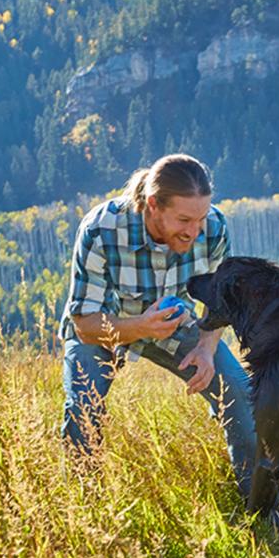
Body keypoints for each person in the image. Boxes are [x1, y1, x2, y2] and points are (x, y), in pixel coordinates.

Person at [59, 153, 257, 501]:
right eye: (183, 219)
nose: (194, 231)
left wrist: (206, 348)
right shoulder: (102, 228)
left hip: (175, 325)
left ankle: (260, 504)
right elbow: (84, 324)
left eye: (201, 218)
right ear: (153, 205)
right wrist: (140, 326)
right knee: (82, 409)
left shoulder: (213, 228)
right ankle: (86, 507)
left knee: (240, 393)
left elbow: (219, 302)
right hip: (106, 325)